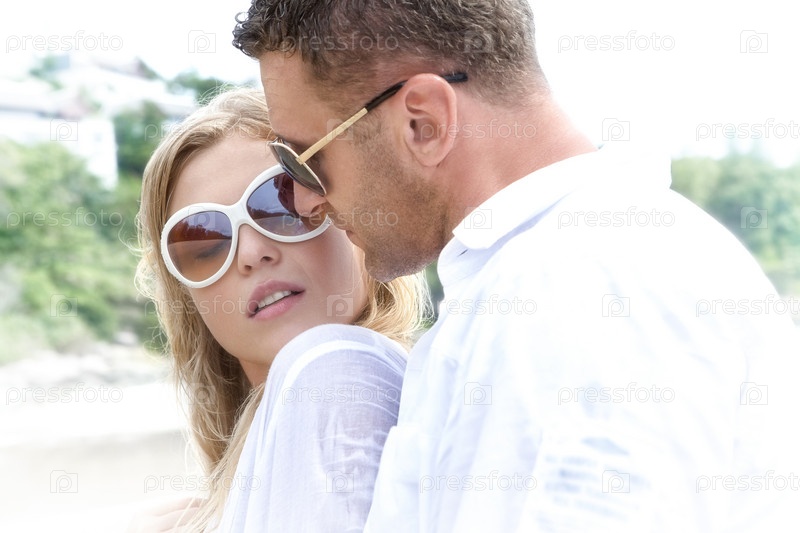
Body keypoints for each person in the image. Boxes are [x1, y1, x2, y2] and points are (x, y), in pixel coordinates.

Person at [232, 2, 800, 532]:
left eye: (302, 160)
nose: (305, 201)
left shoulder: (576, 282)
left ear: (424, 123)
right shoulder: (574, 264)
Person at [132, 87, 429, 532]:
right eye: (203, 243)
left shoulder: (336, 369)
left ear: (347, 212)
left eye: (281, 206)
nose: (252, 253)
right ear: (186, 294)